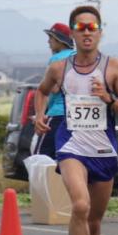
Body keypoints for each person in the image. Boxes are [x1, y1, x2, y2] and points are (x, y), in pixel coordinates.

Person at [33, 5, 118, 235]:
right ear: (73, 33)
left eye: (93, 28)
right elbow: (41, 91)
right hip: (71, 142)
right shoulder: (59, 68)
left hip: (103, 147)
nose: (87, 32)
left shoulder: (114, 67)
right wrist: (40, 115)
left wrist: (109, 98)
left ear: (101, 32)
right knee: (80, 204)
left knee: (95, 219)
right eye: (81, 28)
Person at [32, 22, 74, 158]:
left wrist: (39, 115)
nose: (48, 42)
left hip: (58, 115)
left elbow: (54, 88)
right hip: (78, 118)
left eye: (51, 38)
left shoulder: (56, 59)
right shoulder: (80, 56)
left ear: (60, 41)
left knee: (41, 158)